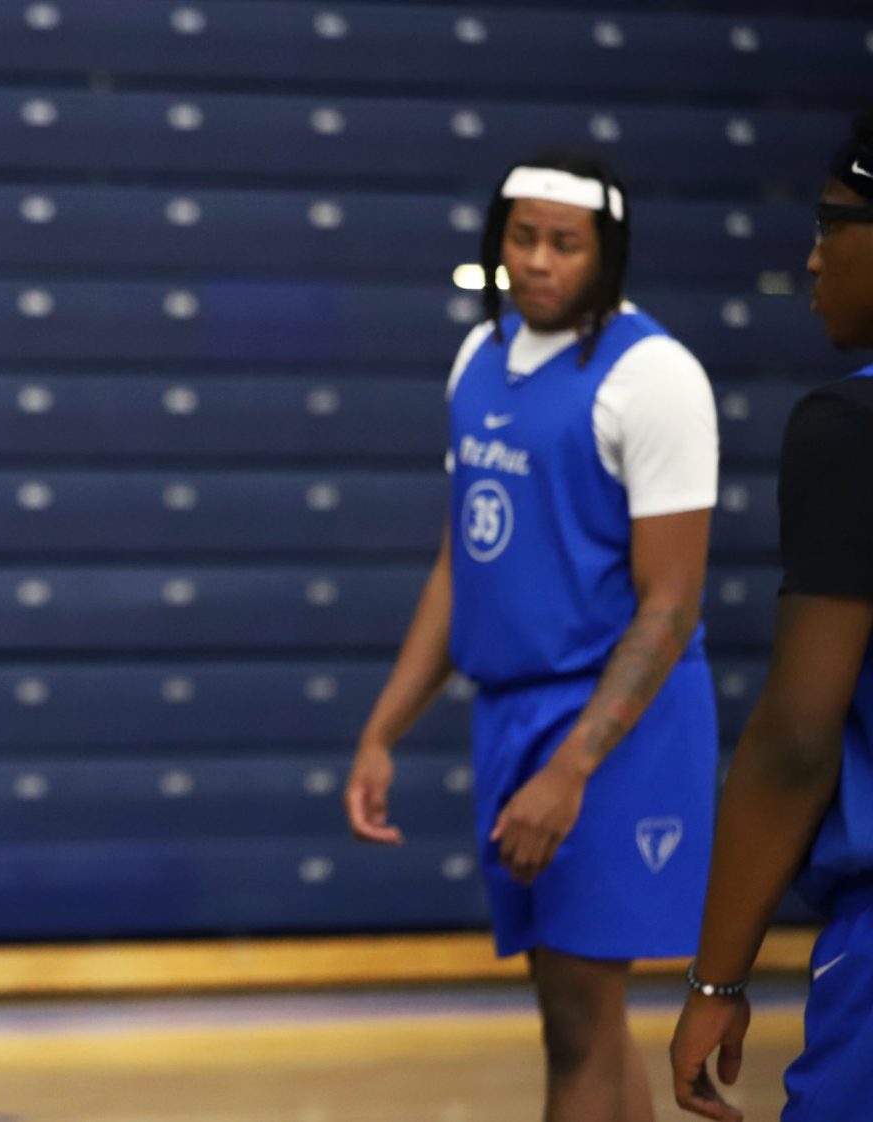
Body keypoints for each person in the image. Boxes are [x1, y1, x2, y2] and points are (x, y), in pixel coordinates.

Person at [344, 150, 721, 1121]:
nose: (541, 260)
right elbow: (458, 565)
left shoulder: (657, 377)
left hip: (616, 726)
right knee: (575, 1010)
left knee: (578, 1020)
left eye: (566, 242)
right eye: (524, 237)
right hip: (510, 714)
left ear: (608, 253)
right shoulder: (479, 359)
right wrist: (384, 728)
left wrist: (571, 769)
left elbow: (671, 605)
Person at [670, 110, 873, 1122]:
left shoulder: (850, 426)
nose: (812, 253)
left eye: (833, 221)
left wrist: (714, 979)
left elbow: (798, 738)